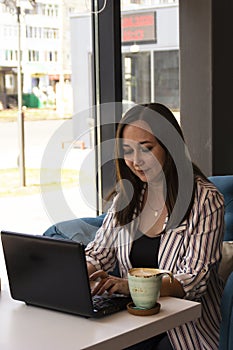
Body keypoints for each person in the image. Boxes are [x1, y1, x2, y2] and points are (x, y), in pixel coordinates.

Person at [84, 103, 225, 350]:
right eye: (127, 150)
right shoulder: (127, 198)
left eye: (146, 149)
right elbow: (99, 254)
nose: (136, 161)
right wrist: (75, 273)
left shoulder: (205, 199)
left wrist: (132, 286)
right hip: (133, 319)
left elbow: (194, 280)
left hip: (186, 329)